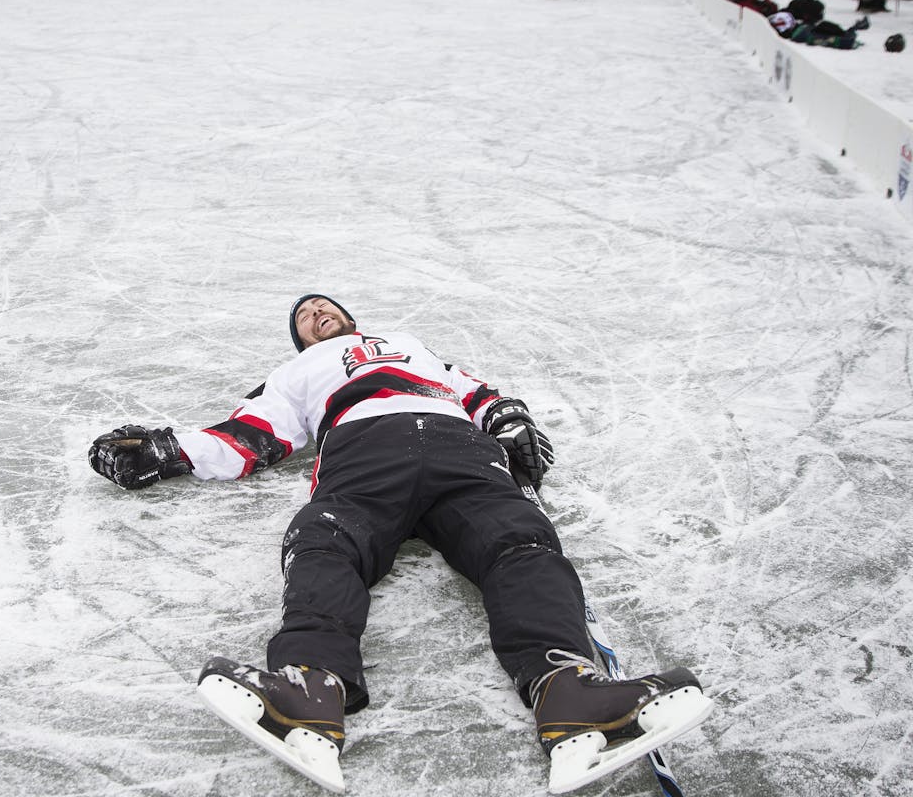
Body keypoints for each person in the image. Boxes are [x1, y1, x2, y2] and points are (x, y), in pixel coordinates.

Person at [87, 295, 716, 794]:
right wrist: (168, 450)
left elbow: (472, 388)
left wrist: (509, 418)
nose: (315, 312)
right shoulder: (295, 372)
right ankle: (310, 685)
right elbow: (253, 434)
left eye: (323, 306)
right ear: (299, 339)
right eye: (303, 315)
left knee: (519, 541)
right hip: (365, 449)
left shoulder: (411, 348)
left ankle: (568, 688)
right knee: (324, 540)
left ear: (350, 317)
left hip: (459, 447)